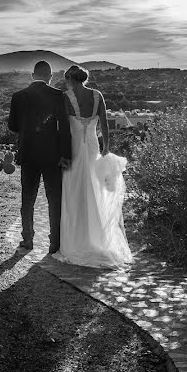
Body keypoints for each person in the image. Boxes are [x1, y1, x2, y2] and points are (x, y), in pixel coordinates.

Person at [52, 65, 133, 269]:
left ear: (69, 78)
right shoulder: (97, 95)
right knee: (95, 191)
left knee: (75, 192)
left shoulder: (66, 96)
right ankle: (97, 239)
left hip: (75, 147)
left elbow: (62, 127)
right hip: (93, 148)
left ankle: (75, 243)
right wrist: (106, 148)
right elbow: (104, 125)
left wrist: (61, 152)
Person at [7, 61, 72, 253]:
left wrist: (27, 129)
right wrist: (65, 154)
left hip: (28, 153)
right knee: (54, 199)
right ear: (50, 76)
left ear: (33, 75)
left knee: (28, 199)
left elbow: (13, 126)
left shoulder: (18, 96)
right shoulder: (58, 95)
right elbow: (65, 128)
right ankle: (54, 243)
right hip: (52, 154)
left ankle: (28, 239)